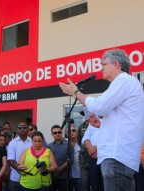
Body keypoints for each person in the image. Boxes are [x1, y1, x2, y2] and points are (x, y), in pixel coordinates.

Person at [59, 49, 144, 191]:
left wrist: (75, 92)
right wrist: (102, 124)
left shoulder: (123, 80)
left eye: (104, 64)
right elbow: (121, 119)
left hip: (117, 157)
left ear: (116, 64)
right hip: (119, 157)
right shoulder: (126, 83)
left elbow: (100, 106)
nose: (101, 68)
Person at [7, 121, 32, 191]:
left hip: (30, 177)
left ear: (28, 129)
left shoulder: (33, 142)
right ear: (17, 130)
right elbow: (11, 160)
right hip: (15, 178)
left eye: (24, 127)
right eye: (20, 127)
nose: (22, 129)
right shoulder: (12, 143)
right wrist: (17, 167)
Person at [47, 125, 74, 191]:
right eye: (55, 133)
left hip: (65, 178)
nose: (57, 134)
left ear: (62, 133)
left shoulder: (69, 144)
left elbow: (70, 160)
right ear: (52, 134)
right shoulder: (49, 146)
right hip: (52, 177)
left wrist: (59, 169)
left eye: (59, 132)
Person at [69, 125, 82, 191]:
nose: (71, 132)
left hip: (80, 176)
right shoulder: (65, 145)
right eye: (69, 131)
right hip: (68, 176)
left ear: (77, 132)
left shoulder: (82, 144)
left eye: (73, 130)